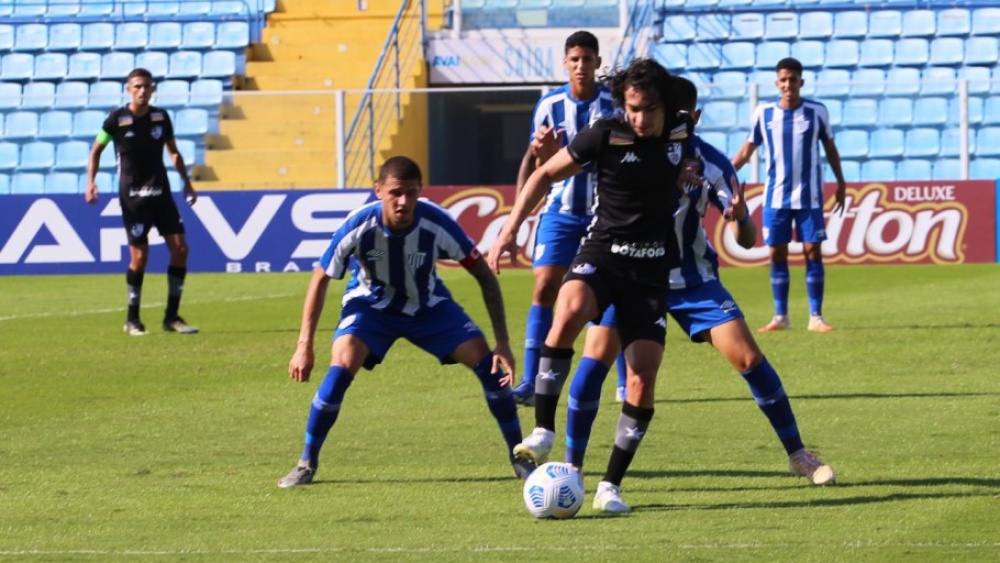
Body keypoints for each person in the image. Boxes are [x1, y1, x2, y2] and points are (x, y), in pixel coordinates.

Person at [561, 78, 835, 504]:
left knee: (748, 356)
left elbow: (747, 239)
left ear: (694, 117)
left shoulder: (711, 162)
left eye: (682, 115)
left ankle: (798, 454)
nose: (673, 122)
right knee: (594, 362)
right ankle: (571, 469)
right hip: (630, 275)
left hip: (691, 280)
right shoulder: (623, 147)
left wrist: (740, 218)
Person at [488, 58, 699, 513]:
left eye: (649, 109)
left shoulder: (683, 130)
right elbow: (545, 174)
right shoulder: (606, 133)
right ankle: (543, 430)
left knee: (642, 377)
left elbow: (693, 155)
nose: (640, 118)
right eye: (633, 108)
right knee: (568, 308)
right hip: (603, 252)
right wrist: (509, 231)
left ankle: (610, 486)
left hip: (650, 271)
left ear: (665, 105)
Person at [278, 156, 531, 488]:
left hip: (428, 307)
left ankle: (519, 457)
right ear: (379, 190)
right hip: (371, 306)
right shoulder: (359, 225)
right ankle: (306, 462)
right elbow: (321, 278)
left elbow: (484, 275)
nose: (404, 202)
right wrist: (303, 347)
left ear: (419, 191)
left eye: (411, 193)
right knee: (340, 368)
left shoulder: (436, 223)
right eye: (396, 193)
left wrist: (503, 343)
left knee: (490, 369)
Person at [510, 30, 616, 407]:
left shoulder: (614, 105)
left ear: (598, 63)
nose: (582, 66)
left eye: (588, 59)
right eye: (575, 59)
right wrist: (522, 205)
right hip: (560, 211)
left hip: (604, 215)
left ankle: (619, 379)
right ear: (565, 63)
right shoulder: (549, 105)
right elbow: (539, 162)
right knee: (543, 288)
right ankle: (529, 379)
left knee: (607, 295)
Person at [731, 57, 847, 333]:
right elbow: (748, 150)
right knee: (777, 253)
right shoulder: (764, 113)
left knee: (812, 251)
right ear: (777, 82)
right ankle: (781, 316)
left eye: (793, 79)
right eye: (783, 80)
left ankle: (815, 317)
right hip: (776, 196)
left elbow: (830, 148)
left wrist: (841, 183)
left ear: (801, 82)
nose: (788, 84)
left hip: (809, 197)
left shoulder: (817, 111)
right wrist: (725, 173)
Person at [84, 67, 198, 336]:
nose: (142, 90)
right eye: (137, 86)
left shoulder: (161, 118)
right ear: (128, 89)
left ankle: (172, 317)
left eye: (147, 86)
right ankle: (132, 319)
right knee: (140, 257)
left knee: (181, 250)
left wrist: (188, 183)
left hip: (162, 194)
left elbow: (174, 153)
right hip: (133, 198)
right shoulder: (117, 119)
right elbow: (96, 149)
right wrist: (91, 181)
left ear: (153, 89)